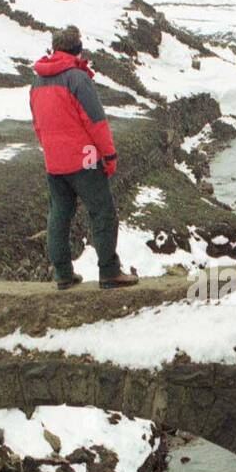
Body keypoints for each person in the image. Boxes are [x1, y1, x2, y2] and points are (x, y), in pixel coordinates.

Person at [29, 25, 139, 289]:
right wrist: (109, 155)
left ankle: (63, 274)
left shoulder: (37, 82)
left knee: (59, 214)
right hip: (85, 158)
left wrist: (51, 151)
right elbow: (96, 122)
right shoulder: (77, 78)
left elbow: (37, 124)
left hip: (54, 161)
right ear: (77, 48)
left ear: (55, 48)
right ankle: (109, 272)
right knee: (102, 212)